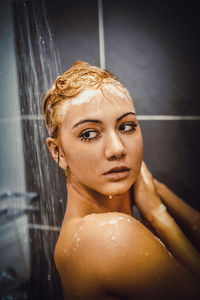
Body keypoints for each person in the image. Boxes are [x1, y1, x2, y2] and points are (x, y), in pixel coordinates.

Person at [43, 61, 200, 300]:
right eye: (89, 134)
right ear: (58, 153)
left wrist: (157, 189)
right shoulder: (110, 236)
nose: (117, 149)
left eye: (126, 126)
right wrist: (157, 213)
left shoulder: (80, 231)